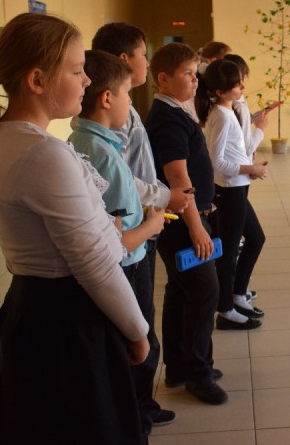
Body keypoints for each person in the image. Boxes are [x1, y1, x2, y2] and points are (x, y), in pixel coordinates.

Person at [0, 12, 149, 444]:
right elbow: (95, 265)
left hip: (35, 310)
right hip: (66, 325)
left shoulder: (8, 138)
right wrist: (138, 331)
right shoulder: (43, 154)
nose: (87, 80)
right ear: (37, 80)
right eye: (76, 71)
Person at [91, 22, 193, 430]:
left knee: (142, 317)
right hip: (134, 232)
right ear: (123, 60)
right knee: (138, 325)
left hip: (141, 225)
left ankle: (141, 403)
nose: (146, 63)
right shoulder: (112, 120)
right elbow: (125, 179)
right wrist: (165, 199)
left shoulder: (126, 108)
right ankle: (137, 409)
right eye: (142, 55)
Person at [67, 50, 171, 437]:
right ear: (108, 98)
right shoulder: (102, 155)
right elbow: (116, 240)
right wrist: (153, 222)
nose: (130, 102)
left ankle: (137, 411)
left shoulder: (90, 141)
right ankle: (137, 418)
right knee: (139, 342)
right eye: (127, 93)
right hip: (127, 266)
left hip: (126, 259)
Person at [144, 43, 227, 405]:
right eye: (188, 75)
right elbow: (178, 177)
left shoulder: (176, 110)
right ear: (163, 79)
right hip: (182, 220)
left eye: (196, 74)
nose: (196, 81)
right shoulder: (168, 119)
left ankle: (179, 366)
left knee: (181, 291)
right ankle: (198, 372)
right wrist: (196, 228)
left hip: (185, 217)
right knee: (205, 291)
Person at [194, 59, 268, 330]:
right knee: (228, 251)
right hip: (229, 190)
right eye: (237, 84)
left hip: (237, 187)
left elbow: (237, 151)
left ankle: (237, 295)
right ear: (220, 91)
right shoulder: (223, 116)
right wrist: (250, 169)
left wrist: (248, 168)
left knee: (256, 238)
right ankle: (225, 309)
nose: (243, 87)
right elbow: (217, 163)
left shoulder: (228, 111)